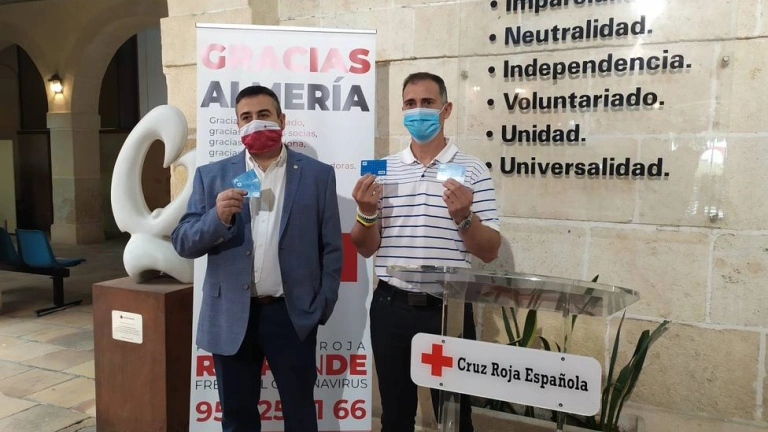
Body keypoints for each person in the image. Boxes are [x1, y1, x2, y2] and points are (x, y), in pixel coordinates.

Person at [171, 85, 343, 432]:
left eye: (263, 115)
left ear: (282, 119)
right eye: (245, 117)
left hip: (291, 315)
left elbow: (331, 248)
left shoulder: (318, 175)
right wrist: (217, 217)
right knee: (237, 418)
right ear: (237, 125)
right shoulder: (212, 175)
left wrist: (320, 305)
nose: (255, 123)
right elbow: (183, 242)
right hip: (231, 315)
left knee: (300, 414)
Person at [350, 72, 501, 432]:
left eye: (428, 103)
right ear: (402, 110)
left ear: (446, 109)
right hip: (391, 308)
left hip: (448, 311)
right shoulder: (382, 169)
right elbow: (364, 247)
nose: (418, 111)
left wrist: (464, 217)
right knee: (395, 416)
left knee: (454, 417)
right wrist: (365, 213)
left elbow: (490, 251)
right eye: (411, 104)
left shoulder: (472, 170)